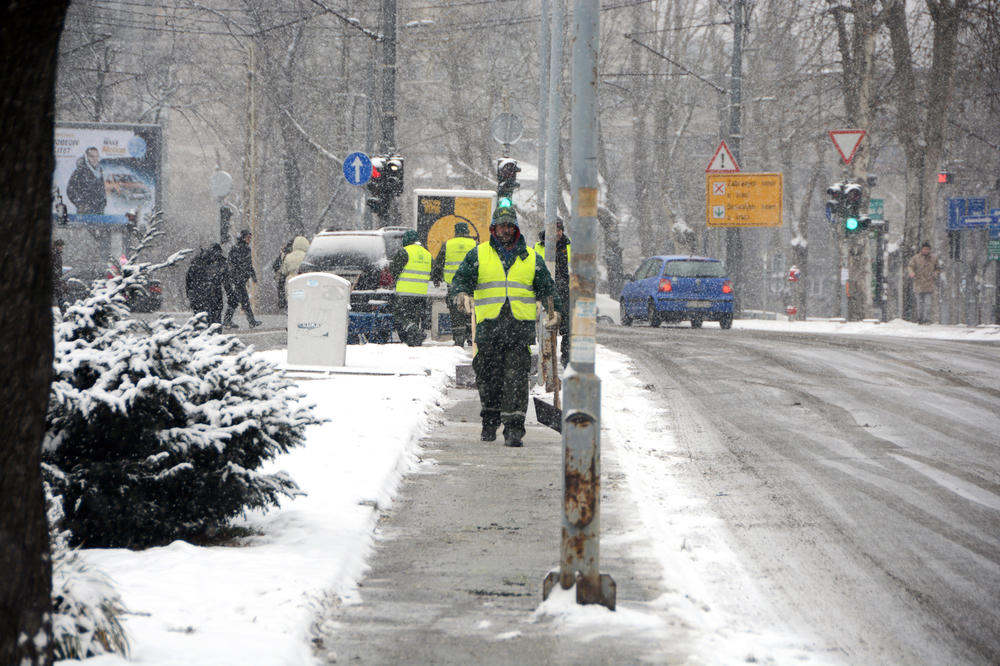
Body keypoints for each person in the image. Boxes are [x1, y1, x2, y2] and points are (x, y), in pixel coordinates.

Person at [450, 204, 561, 447]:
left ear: (516, 229)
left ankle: (514, 428)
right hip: (489, 328)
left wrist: (556, 311)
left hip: (518, 329)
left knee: (516, 378)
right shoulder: (478, 255)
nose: (506, 230)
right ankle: (490, 421)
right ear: (494, 229)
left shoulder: (531, 258)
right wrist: (461, 295)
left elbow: (548, 289)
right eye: (502, 226)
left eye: (510, 226)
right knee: (488, 377)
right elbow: (460, 280)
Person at [431, 221, 477, 346]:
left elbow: (439, 263)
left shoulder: (448, 244)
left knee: (456, 312)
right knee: (471, 310)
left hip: (454, 285)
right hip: (471, 285)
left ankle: (459, 340)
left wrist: (436, 277)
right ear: (467, 231)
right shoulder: (475, 244)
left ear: (456, 231)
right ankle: (472, 337)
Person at [534, 218, 572, 367]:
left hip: (566, 295)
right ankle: (548, 362)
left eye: (560, 230)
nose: (558, 233)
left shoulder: (569, 248)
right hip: (546, 295)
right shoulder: (537, 248)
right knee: (548, 329)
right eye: (554, 230)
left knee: (568, 330)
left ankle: (566, 360)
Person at [389, 230, 432, 346]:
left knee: (401, 317)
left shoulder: (404, 252)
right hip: (421, 294)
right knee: (414, 319)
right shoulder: (427, 254)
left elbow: (394, 270)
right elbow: (433, 272)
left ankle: (416, 332)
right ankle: (413, 342)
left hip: (405, 293)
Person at [223, 229, 262, 329]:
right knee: (243, 301)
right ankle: (250, 321)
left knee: (236, 301)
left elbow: (248, 264)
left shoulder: (245, 248)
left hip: (240, 279)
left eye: (250, 238)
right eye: (248, 237)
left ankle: (228, 320)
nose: (249, 239)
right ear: (244, 237)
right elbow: (234, 264)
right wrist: (237, 276)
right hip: (237, 279)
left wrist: (252, 275)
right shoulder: (237, 248)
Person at [186, 244, 228, 325]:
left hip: (199, 297)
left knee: (200, 322)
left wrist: (190, 295)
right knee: (214, 322)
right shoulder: (219, 263)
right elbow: (225, 281)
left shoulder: (197, 263)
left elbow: (189, 281)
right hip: (213, 297)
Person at [907, 241, 942, 325]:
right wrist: (911, 273)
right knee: (919, 304)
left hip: (929, 284)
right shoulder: (916, 258)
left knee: (928, 304)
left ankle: (927, 319)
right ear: (921, 249)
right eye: (924, 249)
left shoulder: (934, 258)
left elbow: (938, 268)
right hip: (918, 283)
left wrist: (935, 274)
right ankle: (920, 319)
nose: (926, 251)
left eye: (927, 249)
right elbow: (910, 266)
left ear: (930, 250)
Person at [66, 146, 106, 215]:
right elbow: (70, 190)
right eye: (92, 156)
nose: (95, 159)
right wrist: (81, 204)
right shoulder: (79, 171)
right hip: (84, 212)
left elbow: (102, 189)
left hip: (99, 211)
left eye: (97, 156)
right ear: (87, 157)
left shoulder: (99, 171)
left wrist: (103, 202)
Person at [281, 236, 310, 301]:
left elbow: (284, 272)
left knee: (292, 302)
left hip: (291, 282)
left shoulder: (288, 257)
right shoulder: (308, 257)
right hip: (304, 281)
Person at [271, 238, 295, 310]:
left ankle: (283, 303)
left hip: (285, 276)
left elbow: (275, 265)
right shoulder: (299, 254)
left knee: (282, 286)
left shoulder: (284, 254)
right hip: (295, 277)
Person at [52, 238, 66, 311]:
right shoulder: (54, 254)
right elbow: (54, 267)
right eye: (60, 246)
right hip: (55, 280)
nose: (62, 247)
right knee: (59, 297)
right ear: (56, 246)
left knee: (59, 296)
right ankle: (61, 311)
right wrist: (57, 275)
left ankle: (61, 310)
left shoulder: (57, 254)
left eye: (62, 246)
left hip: (57, 280)